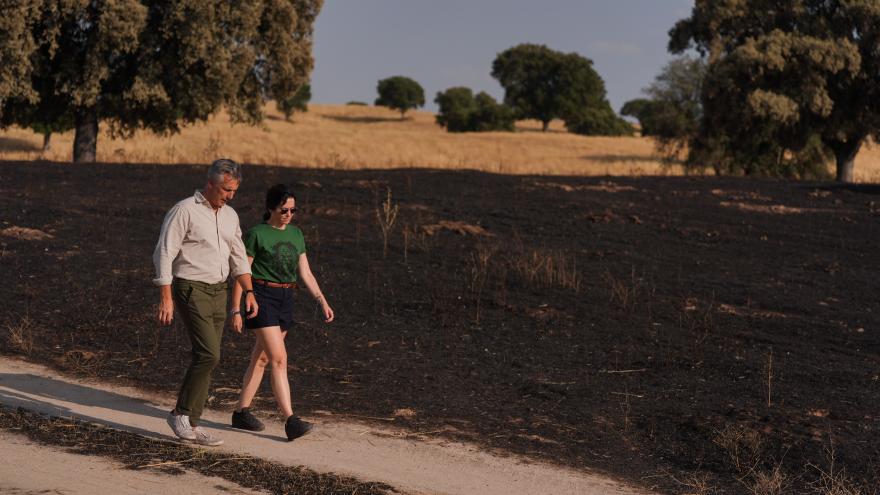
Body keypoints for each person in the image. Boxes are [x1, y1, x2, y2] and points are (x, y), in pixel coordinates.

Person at [153, 158, 258, 446]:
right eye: (226, 190)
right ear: (210, 183)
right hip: (190, 287)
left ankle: (192, 423)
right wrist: (166, 297)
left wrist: (249, 292)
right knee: (209, 353)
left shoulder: (230, 216)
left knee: (209, 358)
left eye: (234, 191)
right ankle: (180, 414)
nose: (230, 196)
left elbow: (238, 256)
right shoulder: (184, 210)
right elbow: (164, 252)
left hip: (219, 291)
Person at [229, 183, 334, 441]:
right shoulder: (257, 234)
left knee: (262, 359)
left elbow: (305, 272)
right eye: (284, 209)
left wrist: (321, 300)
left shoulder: (297, 234)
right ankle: (290, 420)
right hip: (261, 297)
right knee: (279, 359)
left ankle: (241, 412)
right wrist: (236, 309)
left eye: (293, 210)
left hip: (286, 297)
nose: (289, 214)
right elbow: (242, 273)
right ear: (271, 208)